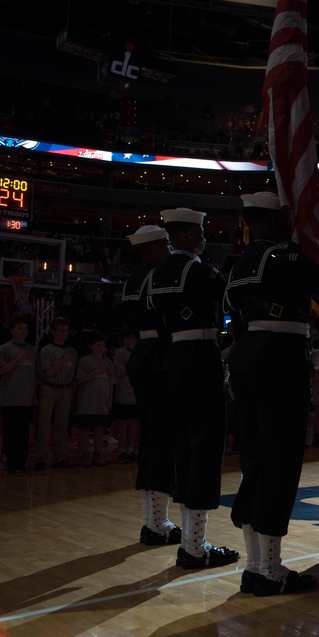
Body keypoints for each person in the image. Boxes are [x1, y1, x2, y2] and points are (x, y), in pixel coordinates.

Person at [224, 191, 319, 596]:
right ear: (268, 222)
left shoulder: (236, 264)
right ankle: (270, 570)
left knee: (255, 461)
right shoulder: (281, 259)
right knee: (280, 461)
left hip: (247, 355)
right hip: (279, 359)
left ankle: (255, 566)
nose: (287, 227)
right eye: (282, 221)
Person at [149, 207, 238, 570]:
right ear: (187, 235)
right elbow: (229, 300)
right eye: (200, 232)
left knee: (183, 450)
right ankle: (195, 546)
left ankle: (191, 542)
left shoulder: (157, 275)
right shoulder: (198, 271)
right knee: (205, 451)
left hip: (172, 359)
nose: (204, 238)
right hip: (201, 359)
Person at [124, 225, 181, 548]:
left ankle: (153, 520)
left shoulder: (133, 279)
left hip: (142, 357)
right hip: (161, 357)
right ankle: (158, 523)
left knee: (150, 442)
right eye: (166, 245)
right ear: (155, 249)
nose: (169, 250)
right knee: (163, 443)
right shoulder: (160, 278)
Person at [0, 314, 37, 474]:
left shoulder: (33, 350)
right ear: (12, 330)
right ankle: (9, 462)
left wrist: (34, 394)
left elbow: (34, 374)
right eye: (19, 327)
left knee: (23, 431)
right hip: (9, 397)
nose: (23, 331)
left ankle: (21, 461)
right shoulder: (4, 348)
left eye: (25, 328)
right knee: (10, 432)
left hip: (26, 396)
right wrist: (17, 360)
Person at [35, 317, 77, 470]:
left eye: (66, 331)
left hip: (65, 389)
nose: (64, 334)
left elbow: (73, 374)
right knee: (44, 425)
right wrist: (63, 361)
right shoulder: (47, 350)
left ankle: (61, 457)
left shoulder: (72, 351)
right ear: (53, 331)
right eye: (61, 330)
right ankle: (41, 458)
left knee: (62, 426)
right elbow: (50, 372)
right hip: (49, 387)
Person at [73, 334, 113, 466]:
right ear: (91, 347)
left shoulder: (107, 362)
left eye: (103, 345)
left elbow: (110, 382)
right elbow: (79, 379)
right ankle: (84, 455)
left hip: (101, 401)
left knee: (99, 429)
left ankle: (97, 454)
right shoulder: (84, 361)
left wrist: (109, 398)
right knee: (85, 429)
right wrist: (95, 373)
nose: (101, 348)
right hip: (87, 401)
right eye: (98, 345)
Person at [110, 329, 140, 464]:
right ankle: (121, 449)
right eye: (132, 337)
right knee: (123, 423)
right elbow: (120, 371)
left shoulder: (139, 352)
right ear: (126, 339)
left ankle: (130, 449)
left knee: (134, 422)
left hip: (136, 391)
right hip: (124, 390)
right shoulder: (120, 353)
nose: (135, 340)